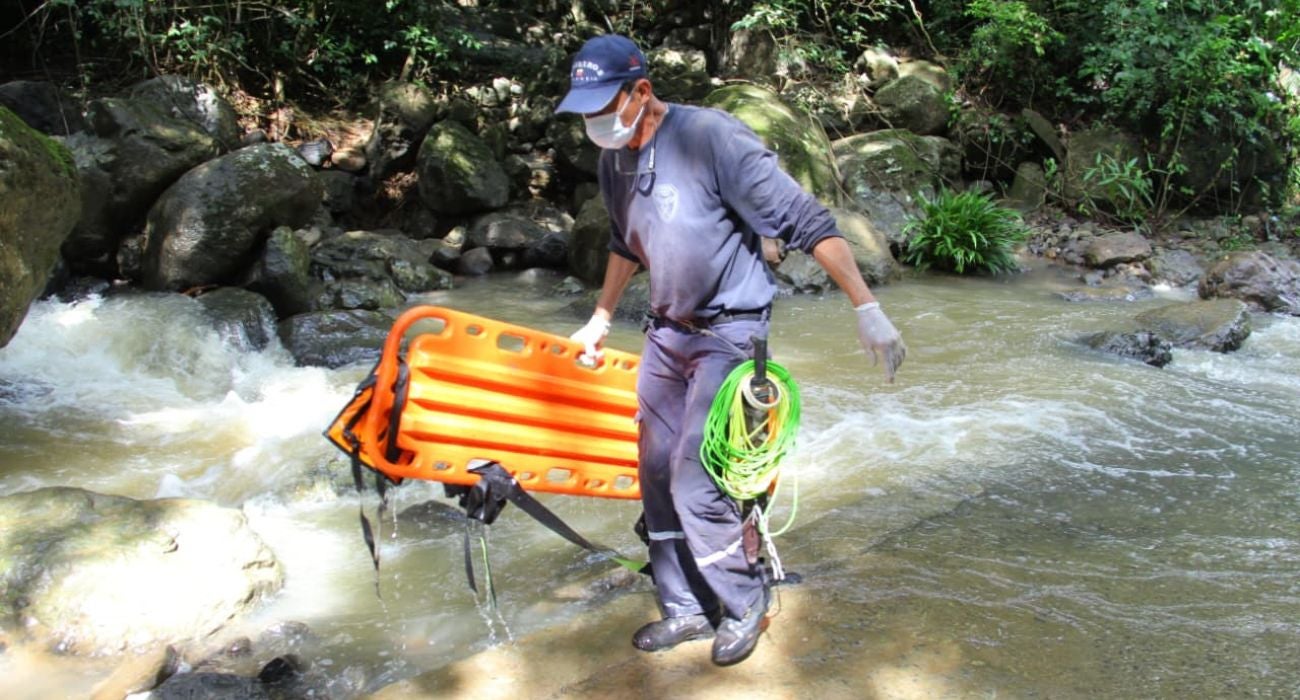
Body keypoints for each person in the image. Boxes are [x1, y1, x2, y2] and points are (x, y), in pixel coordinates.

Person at [555, 34, 907, 666]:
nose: (592, 122)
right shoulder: (615, 160)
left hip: (730, 333)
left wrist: (867, 306)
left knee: (697, 479)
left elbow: (807, 221)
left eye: (602, 105)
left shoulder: (711, 138)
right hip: (666, 334)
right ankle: (686, 608)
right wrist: (601, 316)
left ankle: (744, 603)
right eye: (583, 110)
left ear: (641, 91)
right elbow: (624, 244)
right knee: (657, 475)